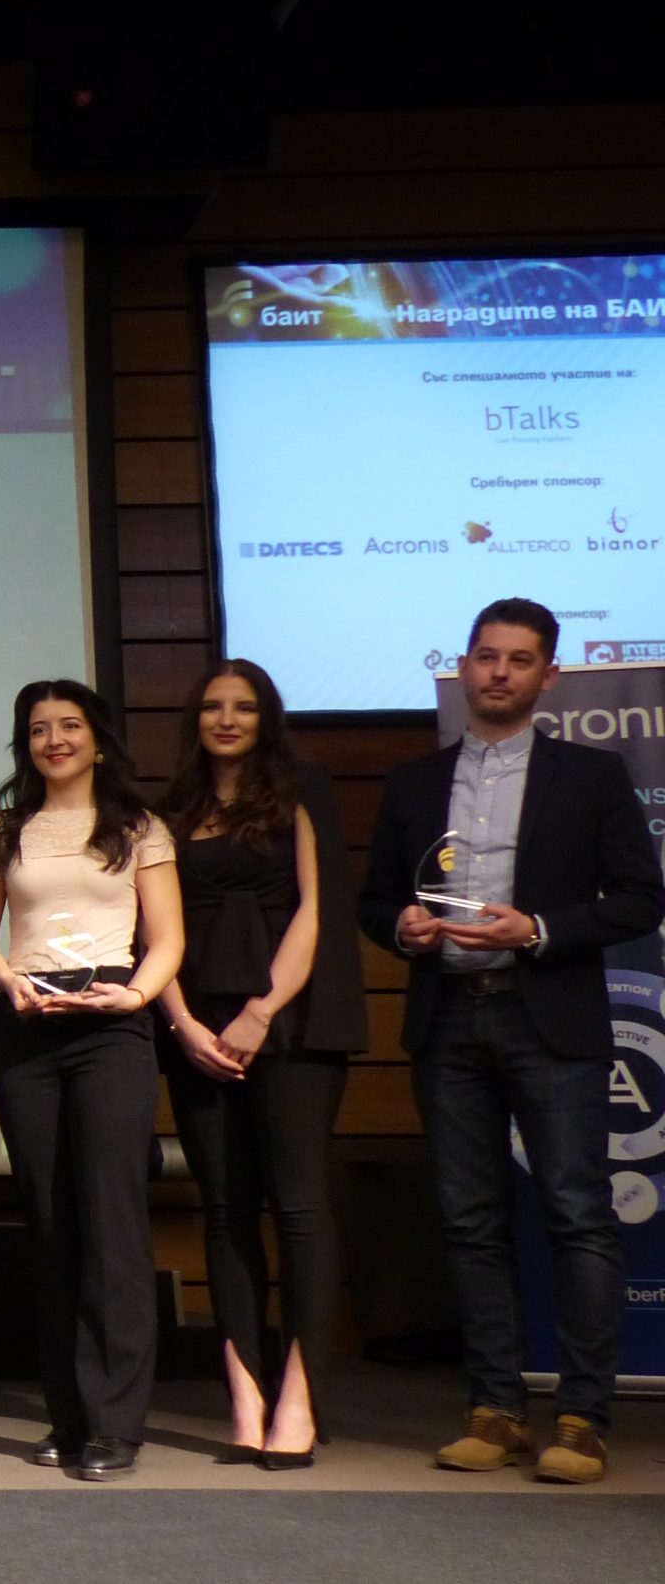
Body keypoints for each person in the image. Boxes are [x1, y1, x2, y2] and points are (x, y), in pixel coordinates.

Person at [359, 598, 664, 1485]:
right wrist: (402, 928)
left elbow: (642, 899)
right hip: (449, 1016)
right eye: (486, 657)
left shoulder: (590, 776)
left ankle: (582, 1419)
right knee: (470, 1222)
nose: (498, 672)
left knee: (578, 1215)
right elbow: (374, 900)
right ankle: (494, 1411)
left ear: (548, 677)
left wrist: (536, 928)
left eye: (518, 660)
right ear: (462, 667)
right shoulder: (414, 782)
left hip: (550, 1017)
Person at [155, 660, 365, 1468]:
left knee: (301, 1208)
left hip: (291, 1021)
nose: (226, 719)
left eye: (243, 707)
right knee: (224, 1211)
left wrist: (259, 1011)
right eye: (212, 706)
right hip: (197, 1027)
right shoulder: (173, 809)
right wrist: (183, 1023)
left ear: (265, 716)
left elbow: (317, 908)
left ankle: (301, 1401)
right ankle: (245, 1399)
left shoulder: (302, 788)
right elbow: (156, 926)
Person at [0, 680, 183, 1482]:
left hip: (111, 1026)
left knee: (112, 1223)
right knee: (51, 1223)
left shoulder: (139, 827)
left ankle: (116, 1422)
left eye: (69, 726)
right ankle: (69, 1416)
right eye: (38, 729)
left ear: (98, 740)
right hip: (28, 1026)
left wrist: (134, 995)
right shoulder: (4, 831)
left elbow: (168, 940)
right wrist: (8, 982)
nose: (54, 740)